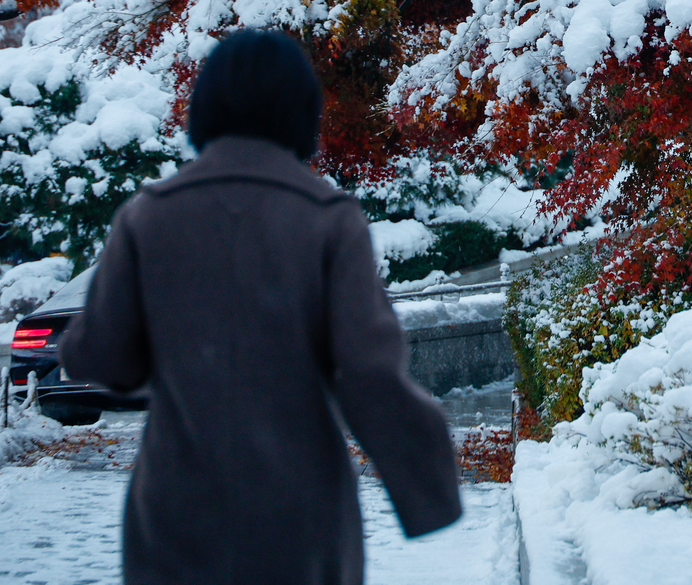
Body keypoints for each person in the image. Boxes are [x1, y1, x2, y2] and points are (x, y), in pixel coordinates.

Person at [61, 30, 461, 585]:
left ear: (204, 108)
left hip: (175, 519)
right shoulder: (327, 218)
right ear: (302, 112)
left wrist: (75, 342)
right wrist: (429, 494)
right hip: (298, 522)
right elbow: (368, 372)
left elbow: (108, 360)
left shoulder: (148, 217)